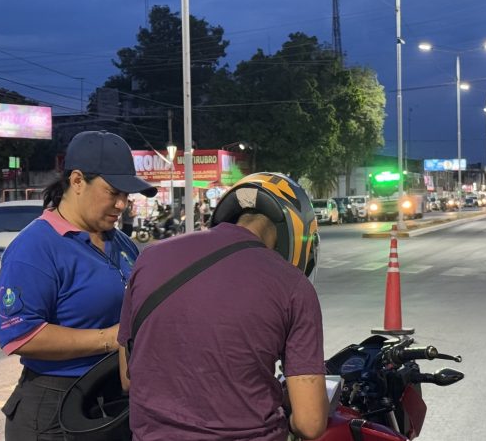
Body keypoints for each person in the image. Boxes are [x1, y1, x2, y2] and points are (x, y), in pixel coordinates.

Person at [118, 172, 328, 441]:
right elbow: (310, 423)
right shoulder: (293, 286)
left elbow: (129, 379)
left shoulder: (149, 257)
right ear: (299, 230)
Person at [0, 131, 157, 440]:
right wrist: (111, 339)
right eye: (113, 192)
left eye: (127, 195)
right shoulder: (36, 246)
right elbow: (19, 335)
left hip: (112, 399)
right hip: (53, 408)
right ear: (78, 181)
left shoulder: (121, 243)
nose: (122, 204)